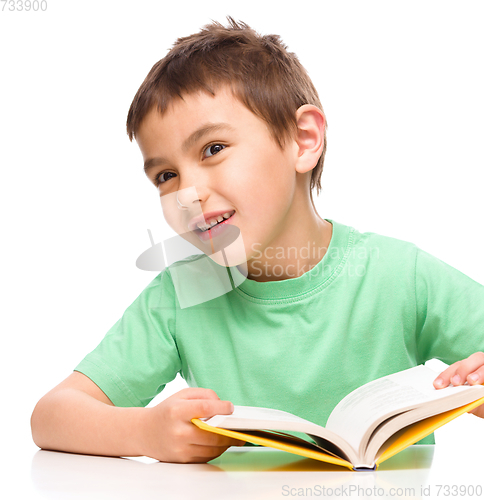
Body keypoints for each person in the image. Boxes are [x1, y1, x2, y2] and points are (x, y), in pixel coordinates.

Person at [31, 17, 484, 464]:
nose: (188, 194)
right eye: (166, 176)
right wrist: (145, 432)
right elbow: (51, 416)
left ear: (303, 140)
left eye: (212, 149)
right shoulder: (181, 295)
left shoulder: (399, 273)